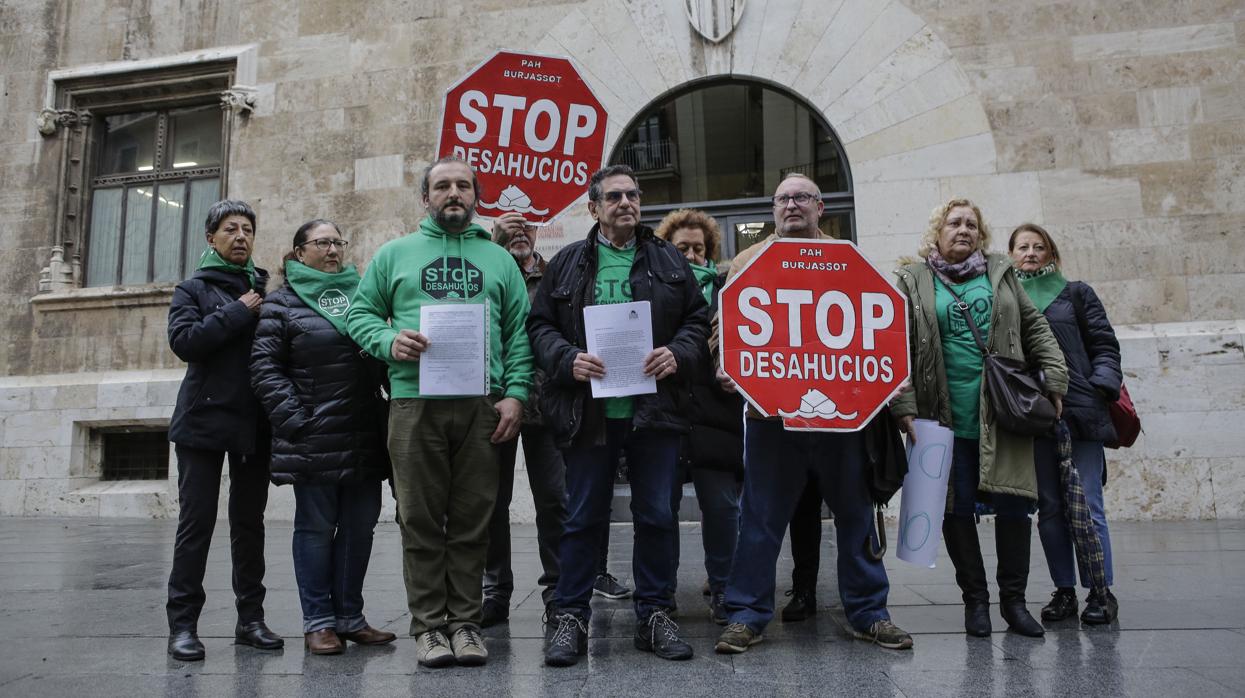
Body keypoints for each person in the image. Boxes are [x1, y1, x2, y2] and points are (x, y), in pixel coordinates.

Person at [714, 173, 913, 655]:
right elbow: (725, 327)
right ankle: (747, 615)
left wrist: (894, 381)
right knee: (759, 518)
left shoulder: (851, 258)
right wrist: (725, 362)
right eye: (783, 199)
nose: (791, 205)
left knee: (856, 514)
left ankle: (869, 613)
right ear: (774, 209)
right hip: (770, 420)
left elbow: (882, 328)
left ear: (821, 207)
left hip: (842, 422)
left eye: (802, 197)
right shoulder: (746, 260)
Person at [346, 157, 533, 668]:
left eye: (464, 186)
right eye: (443, 186)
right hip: (413, 404)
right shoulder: (394, 254)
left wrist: (515, 394)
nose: (454, 193)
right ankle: (430, 627)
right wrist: (388, 340)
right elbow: (360, 314)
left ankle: (466, 624)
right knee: (420, 519)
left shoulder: (499, 262)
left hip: (481, 406)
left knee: (475, 520)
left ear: (477, 196)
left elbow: (519, 334)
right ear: (425, 198)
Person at [530, 165, 711, 666]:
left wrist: (678, 351)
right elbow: (540, 326)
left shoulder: (669, 258)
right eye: (614, 196)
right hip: (588, 414)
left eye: (632, 194)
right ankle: (569, 617)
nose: (626, 202)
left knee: (656, 514)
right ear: (594, 208)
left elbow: (698, 319)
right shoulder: (567, 264)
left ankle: (654, 614)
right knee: (583, 516)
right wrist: (568, 360)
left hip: (656, 412)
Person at [891, 199, 1068, 638]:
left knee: (1014, 507)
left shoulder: (1000, 273)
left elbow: (1035, 327)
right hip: (941, 416)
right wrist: (904, 405)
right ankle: (976, 601)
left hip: (1004, 411)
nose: (964, 229)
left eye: (972, 224)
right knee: (955, 509)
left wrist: (1056, 380)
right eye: (954, 223)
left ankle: (1014, 602)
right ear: (938, 231)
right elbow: (895, 345)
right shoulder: (912, 280)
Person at [250, 220, 396, 655]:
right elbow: (264, 368)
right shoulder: (281, 305)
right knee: (315, 528)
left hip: (364, 432)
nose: (332, 250)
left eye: (337, 242)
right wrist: (297, 421)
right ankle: (318, 622)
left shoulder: (363, 298)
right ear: (298, 253)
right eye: (321, 243)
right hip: (314, 435)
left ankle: (350, 617)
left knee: (360, 527)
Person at [165, 199, 281, 661]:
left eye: (248, 229)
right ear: (211, 238)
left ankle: (250, 620)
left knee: (249, 524)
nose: (241, 236)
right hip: (202, 422)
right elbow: (185, 343)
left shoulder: (265, 286)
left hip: (254, 424)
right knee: (196, 524)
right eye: (230, 229)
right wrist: (237, 312)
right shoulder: (191, 289)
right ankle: (183, 626)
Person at [1008, 223, 1121, 624]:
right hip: (1034, 416)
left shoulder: (1077, 293)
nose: (1031, 253)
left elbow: (1104, 345)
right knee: (1052, 508)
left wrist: (1100, 388)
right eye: (1023, 247)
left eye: (1039, 247)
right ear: (1011, 255)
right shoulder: (1008, 300)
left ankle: (1101, 591)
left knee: (1087, 503)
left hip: (1081, 412)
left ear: (1052, 254)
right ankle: (1065, 591)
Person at [654, 208, 744, 624]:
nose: (690, 255)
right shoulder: (651, 289)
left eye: (698, 248)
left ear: (710, 254)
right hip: (666, 415)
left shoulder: (730, 293)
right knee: (660, 507)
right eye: (681, 248)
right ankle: (662, 592)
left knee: (722, 506)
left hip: (716, 416)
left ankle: (725, 587)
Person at [481, 213, 567, 627]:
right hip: (495, 401)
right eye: (509, 223)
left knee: (554, 499)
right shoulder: (482, 269)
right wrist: (495, 251)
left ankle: (558, 589)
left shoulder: (557, 274)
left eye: (529, 224)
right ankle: (495, 591)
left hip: (548, 405)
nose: (520, 230)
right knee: (491, 502)